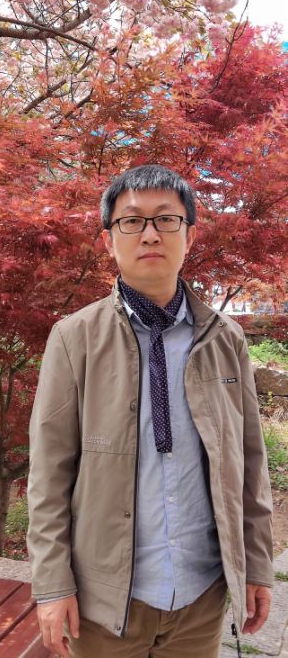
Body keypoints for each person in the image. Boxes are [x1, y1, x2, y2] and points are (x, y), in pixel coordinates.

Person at [27, 165, 273, 658]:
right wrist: (52, 585)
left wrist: (257, 566)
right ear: (109, 240)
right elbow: (49, 473)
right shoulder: (75, 338)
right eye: (132, 221)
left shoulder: (225, 338)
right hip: (104, 601)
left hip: (201, 595)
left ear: (189, 234)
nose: (150, 234)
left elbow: (249, 462)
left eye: (166, 219)